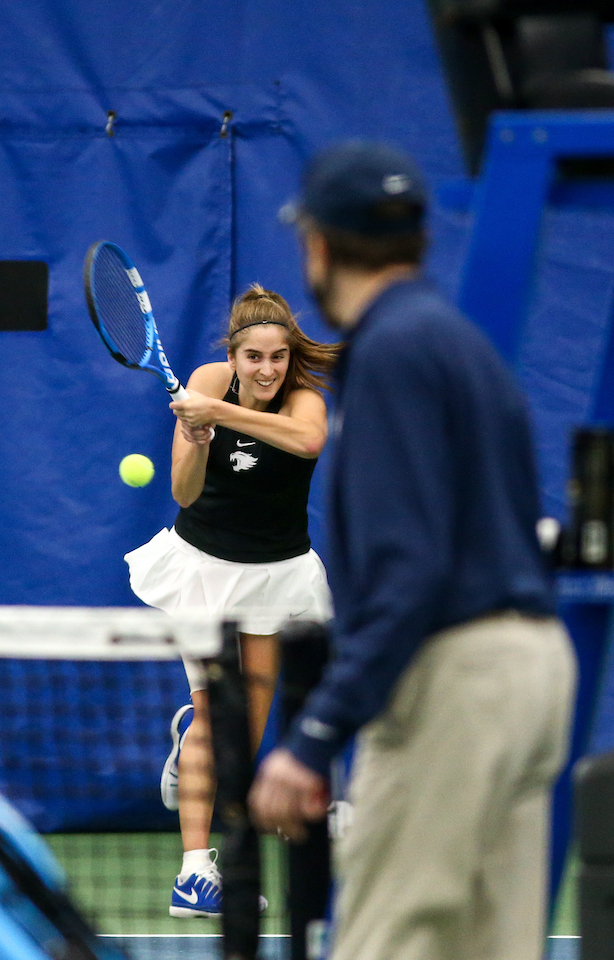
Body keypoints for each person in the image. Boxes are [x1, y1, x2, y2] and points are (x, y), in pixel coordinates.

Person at [248, 142, 575, 960]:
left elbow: (408, 570)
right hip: (533, 670)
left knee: (385, 944)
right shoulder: (456, 344)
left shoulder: (392, 353)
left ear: (318, 245)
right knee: (489, 946)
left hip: (458, 684)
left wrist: (317, 734)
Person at [124, 284, 337, 918]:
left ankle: (229, 837)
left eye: (277, 356)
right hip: (207, 571)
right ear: (234, 357)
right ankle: (194, 874)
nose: (266, 369)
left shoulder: (305, 399)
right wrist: (192, 435)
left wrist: (218, 416)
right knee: (219, 721)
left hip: (278, 576)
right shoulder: (207, 381)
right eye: (254, 358)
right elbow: (185, 494)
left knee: (246, 730)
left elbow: (305, 443)